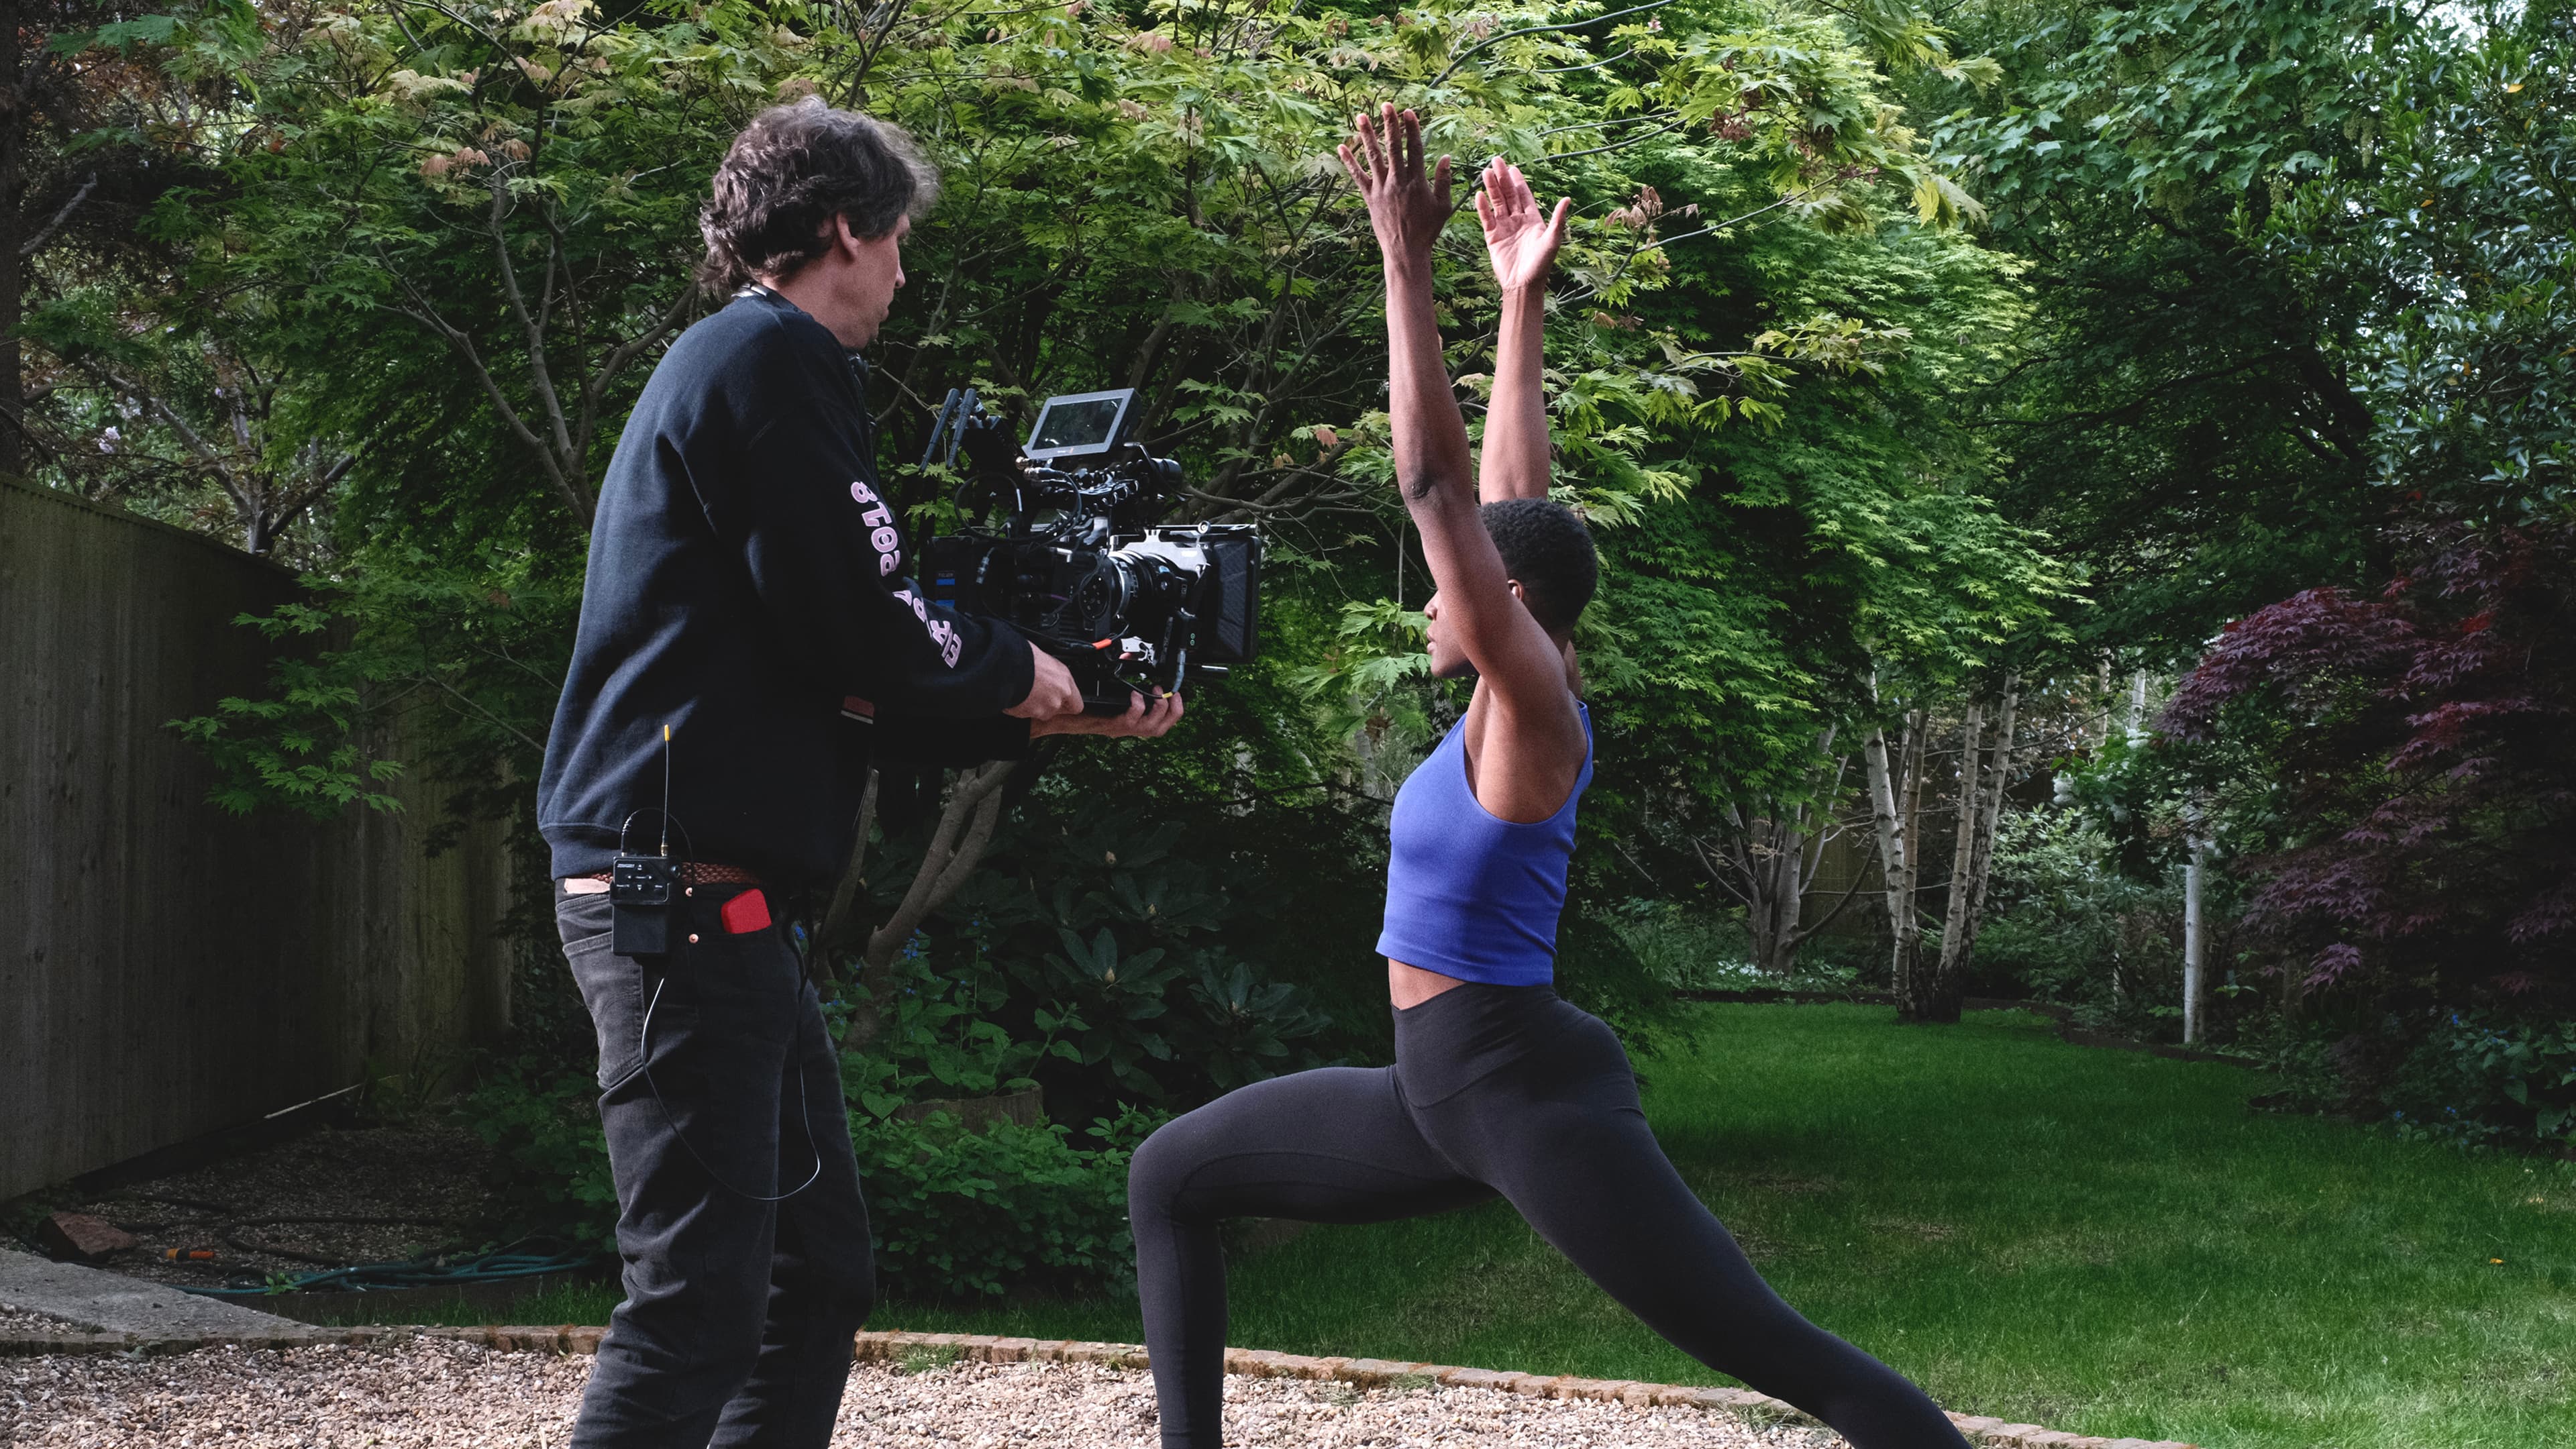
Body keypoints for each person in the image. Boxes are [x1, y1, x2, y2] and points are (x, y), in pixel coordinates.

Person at [1125, 107, 1972, 1449]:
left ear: (1505, 603)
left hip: (1523, 1103)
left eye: (1453, 591)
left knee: (1794, 1360)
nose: (1428, 604)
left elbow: (1445, 492)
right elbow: (1513, 498)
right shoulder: (1516, 667)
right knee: (1171, 1174)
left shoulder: (1535, 716)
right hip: (1432, 1094)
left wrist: (1405, 266)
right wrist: (1518, 304)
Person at [534, 99, 1180, 1449]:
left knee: (812, 1279)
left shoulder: (745, 365)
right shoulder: (770, 360)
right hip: (679, 902)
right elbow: (866, 620)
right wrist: (1018, 664)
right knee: (698, 1304)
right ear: (846, 225)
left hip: (725, 910)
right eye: (898, 243)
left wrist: (1060, 711)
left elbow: (841, 678)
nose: (904, 275)